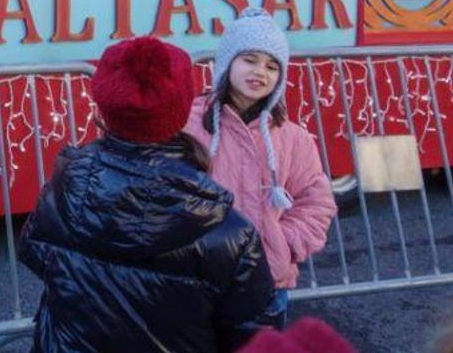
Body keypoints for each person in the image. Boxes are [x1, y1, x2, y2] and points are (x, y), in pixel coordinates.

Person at [20, 36, 273, 353]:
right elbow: (253, 332)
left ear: (106, 105)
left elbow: (34, 254)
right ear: (180, 109)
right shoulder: (231, 232)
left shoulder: (62, 190)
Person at [186, 8, 336, 328]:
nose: (260, 72)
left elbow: (316, 202)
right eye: (250, 60)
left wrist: (279, 245)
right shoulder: (189, 126)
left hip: (267, 285)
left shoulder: (292, 138)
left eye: (271, 66)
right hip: (196, 283)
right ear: (227, 64)